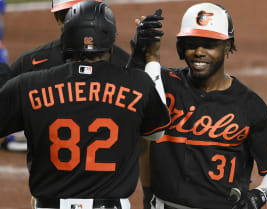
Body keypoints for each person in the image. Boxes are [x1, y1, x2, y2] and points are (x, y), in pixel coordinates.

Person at [0, 1, 170, 209]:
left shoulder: (27, 83)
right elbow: (156, 132)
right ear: (110, 38)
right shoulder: (136, 82)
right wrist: (149, 60)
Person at [134, 3, 267, 209]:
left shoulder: (249, 105)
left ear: (227, 46)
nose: (199, 52)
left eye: (209, 44)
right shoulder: (163, 84)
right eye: (192, 43)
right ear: (181, 47)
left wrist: (260, 195)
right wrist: (139, 55)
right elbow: (127, 90)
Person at [1, 0, 131, 151]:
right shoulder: (30, 64)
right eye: (66, 16)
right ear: (56, 18)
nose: (76, 24)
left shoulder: (128, 66)